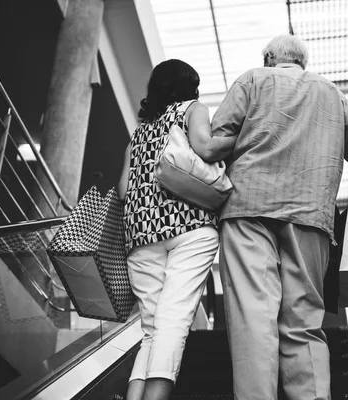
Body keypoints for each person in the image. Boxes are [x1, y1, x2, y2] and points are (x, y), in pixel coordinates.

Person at [210, 35, 348, 400]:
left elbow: (215, 142)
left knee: (253, 318)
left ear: (270, 57)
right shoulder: (331, 93)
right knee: (303, 322)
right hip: (309, 216)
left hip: (246, 209)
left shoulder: (253, 79)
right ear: (302, 61)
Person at [117, 59, 236, 400]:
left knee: (152, 330)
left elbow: (124, 190)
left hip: (140, 237)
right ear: (189, 86)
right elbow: (204, 146)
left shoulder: (138, 133)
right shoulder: (191, 109)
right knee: (174, 322)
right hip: (190, 227)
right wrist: (246, 136)